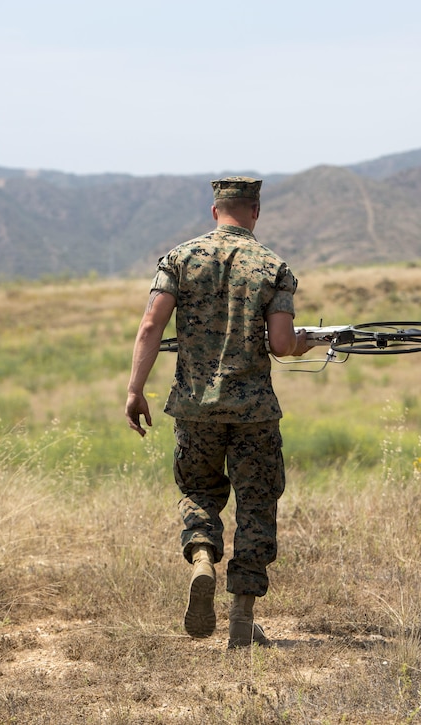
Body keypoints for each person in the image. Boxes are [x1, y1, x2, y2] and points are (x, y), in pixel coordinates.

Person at [125, 176, 309, 649]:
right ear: (256, 211)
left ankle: (203, 556)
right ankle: (241, 622)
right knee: (256, 505)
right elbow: (283, 344)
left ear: (214, 212)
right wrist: (312, 340)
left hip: (194, 408)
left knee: (201, 491)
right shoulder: (273, 267)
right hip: (253, 414)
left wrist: (135, 390)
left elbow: (150, 325)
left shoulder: (178, 260)